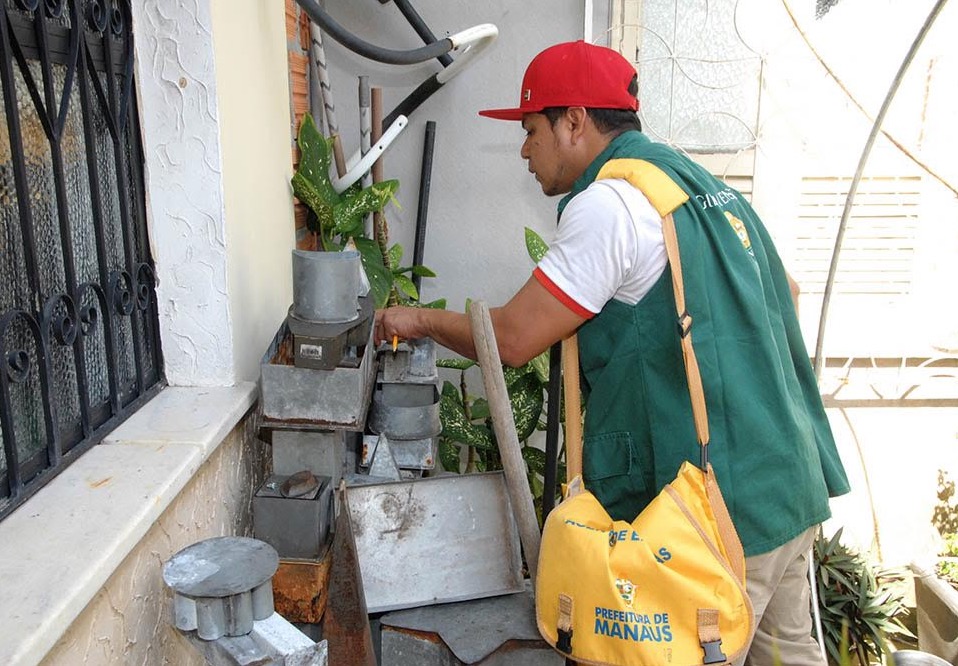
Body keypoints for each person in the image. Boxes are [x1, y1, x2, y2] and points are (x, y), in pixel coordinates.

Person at [375, 40, 850, 664]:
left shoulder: (611, 204)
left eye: (530, 129)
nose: (524, 150)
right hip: (786, 486)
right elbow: (781, 292)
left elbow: (514, 338)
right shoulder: (701, 186)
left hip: (711, 515)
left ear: (573, 121)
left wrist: (415, 319)